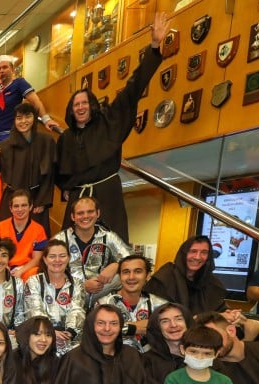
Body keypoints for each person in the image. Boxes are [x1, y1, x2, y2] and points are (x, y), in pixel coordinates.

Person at [57, 12, 170, 243]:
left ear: (91, 105)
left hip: (106, 192)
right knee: (70, 248)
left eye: (84, 103)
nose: (80, 107)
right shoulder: (66, 137)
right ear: (70, 109)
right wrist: (67, 189)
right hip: (78, 197)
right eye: (76, 104)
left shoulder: (108, 122)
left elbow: (133, 88)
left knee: (113, 243)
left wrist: (155, 46)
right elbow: (59, 171)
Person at [144, 236, 259, 341]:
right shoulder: (165, 277)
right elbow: (163, 320)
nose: (198, 257)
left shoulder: (212, 282)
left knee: (253, 325)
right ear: (183, 253)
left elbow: (219, 309)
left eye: (204, 252)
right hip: (174, 336)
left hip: (208, 336)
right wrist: (213, 316)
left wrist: (232, 315)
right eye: (193, 251)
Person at [0, 102, 57, 227]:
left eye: (28, 116)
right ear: (14, 121)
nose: (23, 121)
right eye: (19, 118)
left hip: (36, 200)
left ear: (35, 118)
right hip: (11, 199)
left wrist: (42, 201)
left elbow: (50, 174)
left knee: (36, 239)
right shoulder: (4, 146)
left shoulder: (46, 141)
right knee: (6, 239)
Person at [58, 196, 132, 302]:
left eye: (90, 212)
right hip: (69, 294)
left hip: (102, 293)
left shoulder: (109, 237)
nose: (85, 216)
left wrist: (116, 265)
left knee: (126, 275)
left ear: (98, 213)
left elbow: (132, 259)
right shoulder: (60, 239)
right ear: (72, 217)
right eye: (80, 213)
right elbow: (51, 270)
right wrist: (82, 285)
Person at [24, 239, 86, 355]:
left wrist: (69, 332)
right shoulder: (33, 282)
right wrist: (50, 332)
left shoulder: (77, 284)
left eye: (62, 256)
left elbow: (77, 310)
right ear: (45, 259)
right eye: (52, 256)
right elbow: (34, 310)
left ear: (68, 258)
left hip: (69, 336)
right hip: (40, 336)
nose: (57, 260)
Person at [96, 254, 168, 352]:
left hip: (150, 361)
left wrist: (122, 327)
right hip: (113, 361)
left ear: (147, 275)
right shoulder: (103, 304)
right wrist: (143, 327)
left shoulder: (160, 305)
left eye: (138, 271)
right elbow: (98, 332)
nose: (131, 277)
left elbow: (168, 330)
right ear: (119, 276)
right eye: (126, 272)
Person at [0, 55, 61, 143]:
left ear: (12, 69)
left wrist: (46, 119)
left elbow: (35, 101)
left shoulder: (19, 83)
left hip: (12, 134)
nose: (1, 71)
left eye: (5, 67)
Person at [0, 190, 49, 280]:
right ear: (11, 208)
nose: (20, 209)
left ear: (31, 206)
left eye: (24, 205)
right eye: (16, 206)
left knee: (36, 273)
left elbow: (37, 259)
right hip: (3, 267)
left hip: (26, 270)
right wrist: (2, 266)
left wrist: (20, 271)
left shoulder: (39, 230)